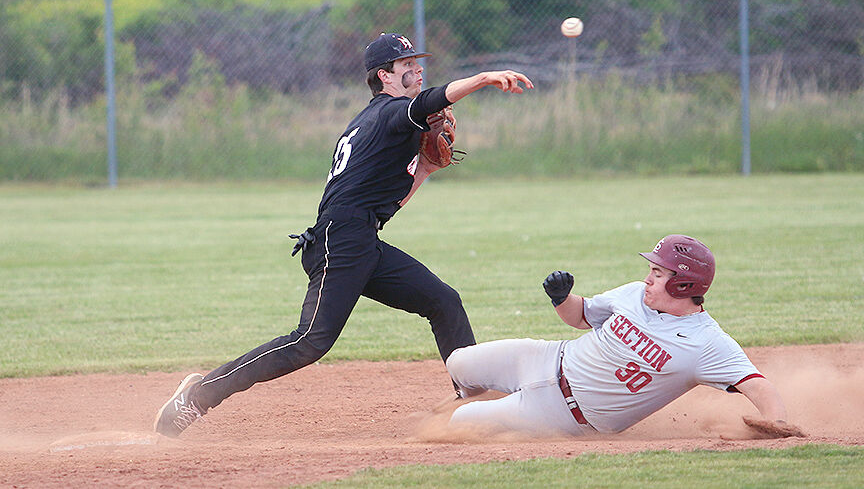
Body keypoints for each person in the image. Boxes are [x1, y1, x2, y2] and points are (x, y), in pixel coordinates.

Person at [154, 32, 534, 437]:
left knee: (443, 301)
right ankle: (195, 399)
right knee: (310, 342)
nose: (417, 69)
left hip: (360, 237)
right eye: (407, 66)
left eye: (415, 63)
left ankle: (470, 401)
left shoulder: (377, 121)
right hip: (341, 239)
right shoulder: (390, 112)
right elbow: (431, 102)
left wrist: (424, 170)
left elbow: (384, 203)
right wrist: (484, 79)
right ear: (384, 76)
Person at [444, 234, 804, 438]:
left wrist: (776, 423)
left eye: (658, 273)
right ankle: (474, 392)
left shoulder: (706, 343)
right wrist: (562, 299)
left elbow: (758, 385)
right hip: (546, 357)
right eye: (650, 270)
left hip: (563, 415)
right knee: (459, 362)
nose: (648, 278)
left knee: (461, 425)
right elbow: (580, 317)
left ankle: (483, 403)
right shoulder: (633, 293)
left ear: (683, 285)